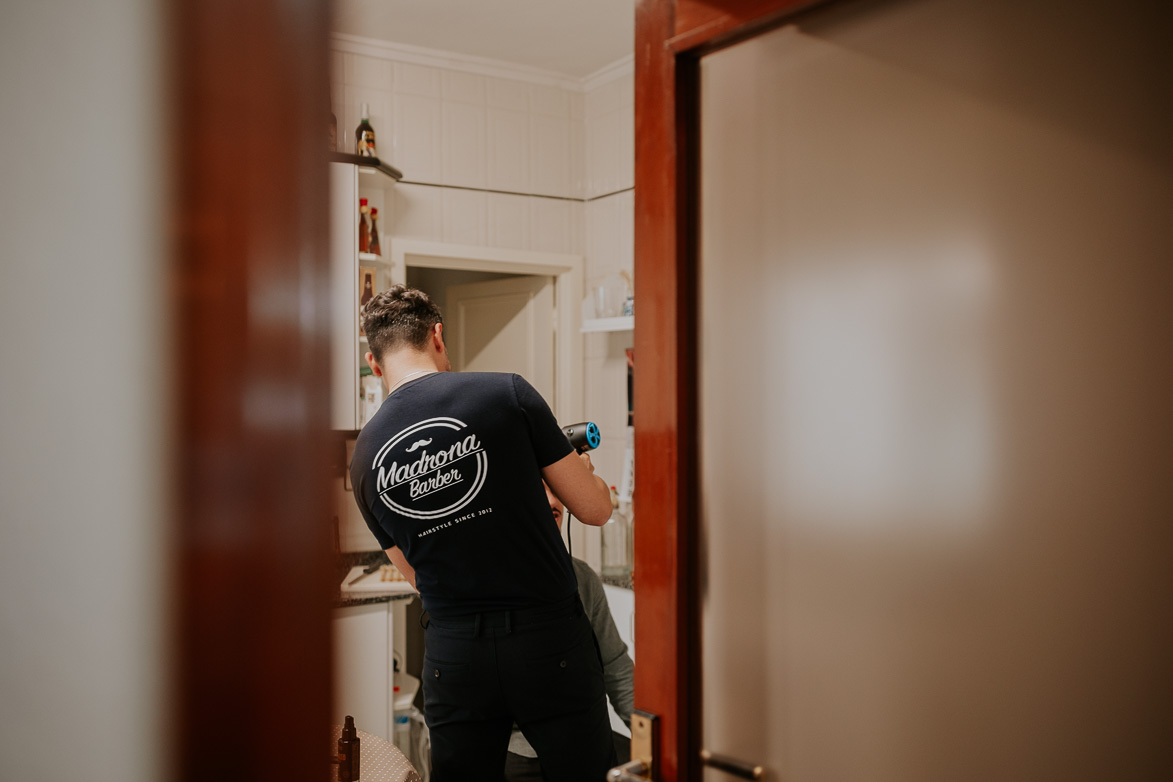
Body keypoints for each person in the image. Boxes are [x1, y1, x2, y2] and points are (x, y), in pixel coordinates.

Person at [349, 285, 617, 781]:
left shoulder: (364, 458)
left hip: (455, 657)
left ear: (374, 361)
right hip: (548, 642)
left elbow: (413, 574)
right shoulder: (506, 393)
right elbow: (595, 509)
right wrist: (582, 468)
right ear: (437, 335)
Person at [504, 483, 635, 782]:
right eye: (539, 492)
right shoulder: (483, 585)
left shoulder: (583, 578)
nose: (553, 502)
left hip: (586, 748)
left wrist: (653, 736)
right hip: (517, 757)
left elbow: (616, 666)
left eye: (555, 511)